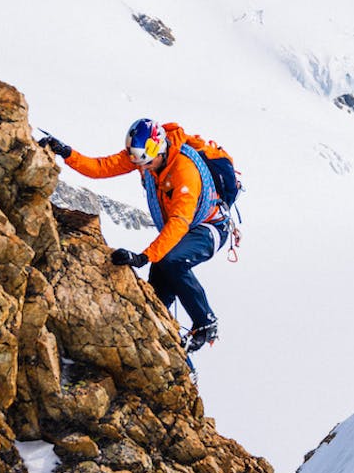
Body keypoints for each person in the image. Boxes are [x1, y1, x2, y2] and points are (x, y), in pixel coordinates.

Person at [39, 118, 228, 352]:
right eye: (141, 164)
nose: (144, 168)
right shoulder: (144, 157)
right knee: (157, 298)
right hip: (180, 231)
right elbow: (101, 167)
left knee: (171, 261)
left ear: (158, 149)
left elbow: (180, 222)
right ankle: (169, 346)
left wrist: (144, 256)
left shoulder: (184, 171)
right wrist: (66, 152)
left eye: (148, 163)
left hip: (210, 228)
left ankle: (205, 323)